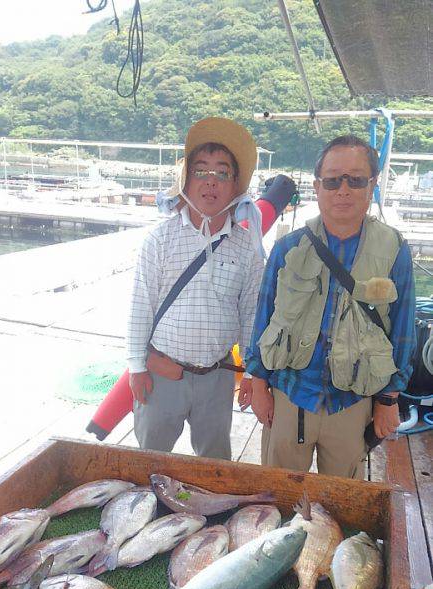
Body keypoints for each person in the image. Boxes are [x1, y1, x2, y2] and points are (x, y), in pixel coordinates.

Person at [246, 134, 416, 479]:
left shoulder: (394, 249)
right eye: (333, 179)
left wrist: (388, 400)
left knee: (341, 500)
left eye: (355, 179)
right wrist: (259, 384)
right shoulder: (287, 248)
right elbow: (263, 319)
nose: (343, 189)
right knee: (277, 492)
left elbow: (402, 330)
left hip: (352, 401)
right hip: (290, 392)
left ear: (372, 185)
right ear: (317, 186)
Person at [126, 117, 263, 460]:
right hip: (162, 375)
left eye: (222, 173)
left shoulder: (247, 247)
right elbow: (140, 306)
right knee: (150, 462)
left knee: (215, 464)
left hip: (218, 378)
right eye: (201, 170)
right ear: (186, 179)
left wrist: (250, 371)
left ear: (236, 186)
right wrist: (136, 367)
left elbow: (250, 313)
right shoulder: (160, 239)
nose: (211, 181)